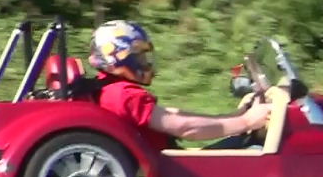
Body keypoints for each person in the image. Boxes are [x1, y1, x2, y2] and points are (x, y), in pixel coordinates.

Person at [88, 20, 273, 151]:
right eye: (140, 56)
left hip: (164, 164)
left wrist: (234, 116)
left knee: (243, 142)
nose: (145, 62)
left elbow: (171, 114)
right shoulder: (124, 95)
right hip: (171, 172)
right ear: (121, 58)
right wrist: (247, 122)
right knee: (255, 149)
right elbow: (185, 128)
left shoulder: (109, 89)